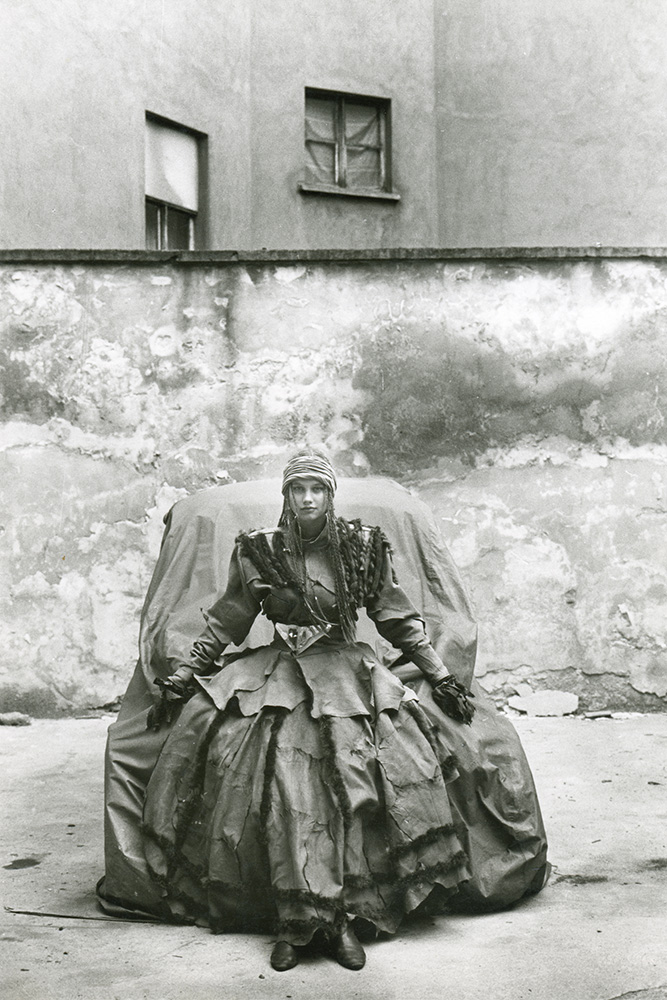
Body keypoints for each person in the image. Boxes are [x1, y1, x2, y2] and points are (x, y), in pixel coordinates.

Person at [98, 453, 549, 972]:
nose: (307, 498)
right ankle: (296, 921)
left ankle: (347, 917)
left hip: (346, 674)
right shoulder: (259, 551)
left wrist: (441, 675)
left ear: (330, 494)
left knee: (360, 778)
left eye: (317, 488)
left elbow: (397, 619)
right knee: (281, 784)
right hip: (278, 675)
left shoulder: (362, 548)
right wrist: (183, 675)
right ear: (286, 497)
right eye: (298, 489)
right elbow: (228, 619)